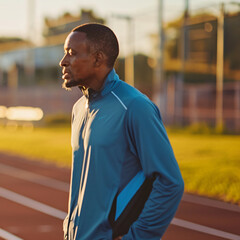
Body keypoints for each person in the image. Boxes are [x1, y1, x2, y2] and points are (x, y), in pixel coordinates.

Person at [59, 23, 184, 240]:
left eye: (72, 53)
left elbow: (169, 182)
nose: (63, 61)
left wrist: (137, 237)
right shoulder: (79, 109)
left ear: (98, 59)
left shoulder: (135, 107)